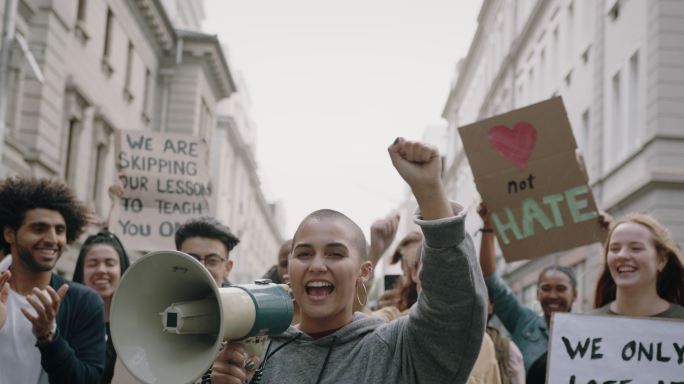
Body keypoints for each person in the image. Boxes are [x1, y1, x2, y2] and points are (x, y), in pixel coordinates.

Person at [212, 138, 488, 383]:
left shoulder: (396, 350)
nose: (317, 265)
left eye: (335, 254)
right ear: (288, 273)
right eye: (304, 254)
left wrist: (430, 192)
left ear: (364, 272)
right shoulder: (255, 354)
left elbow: (454, 307)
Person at [0, 177, 106, 383]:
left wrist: (49, 338)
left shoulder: (84, 303)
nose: (52, 239)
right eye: (39, 229)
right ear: (9, 234)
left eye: (59, 230)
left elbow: (90, 380)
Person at [478, 203, 577, 374]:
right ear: (538, 294)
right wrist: (488, 228)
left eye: (561, 288)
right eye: (546, 288)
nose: (553, 295)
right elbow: (490, 280)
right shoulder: (524, 323)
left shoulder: (589, 330)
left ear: (574, 294)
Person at [592, 213, 684, 317]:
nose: (622, 255)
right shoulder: (586, 325)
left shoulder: (679, 323)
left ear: (661, 260)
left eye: (636, 248)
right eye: (615, 249)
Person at [72, 230, 132, 383]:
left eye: (110, 263)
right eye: (92, 264)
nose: (101, 270)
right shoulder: (67, 324)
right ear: (82, 272)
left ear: (122, 269)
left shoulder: (137, 328)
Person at [174, 217, 240, 287]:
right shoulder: (162, 295)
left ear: (227, 268)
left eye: (212, 261)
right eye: (192, 260)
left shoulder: (242, 298)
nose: (202, 269)